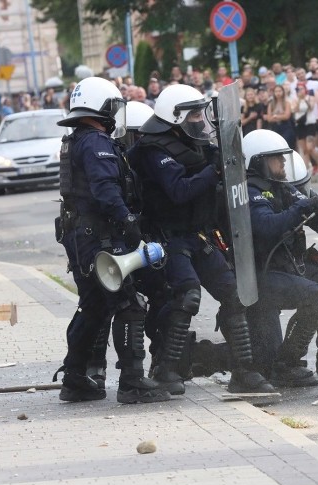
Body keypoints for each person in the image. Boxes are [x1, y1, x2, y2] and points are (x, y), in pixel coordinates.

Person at [127, 83, 276, 396]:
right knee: (187, 296)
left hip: (199, 235)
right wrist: (214, 171)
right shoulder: (153, 149)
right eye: (193, 112)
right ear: (175, 116)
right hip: (168, 239)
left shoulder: (199, 145)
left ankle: (244, 372)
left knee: (234, 294)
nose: (199, 118)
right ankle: (167, 369)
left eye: (200, 111)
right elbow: (179, 190)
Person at [53, 77, 169, 404]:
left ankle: (75, 378)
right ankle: (132, 381)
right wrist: (129, 223)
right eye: (112, 106)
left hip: (80, 237)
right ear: (101, 106)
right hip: (97, 239)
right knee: (129, 304)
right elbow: (106, 191)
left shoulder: (76, 139)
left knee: (92, 307)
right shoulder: (95, 142)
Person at [244, 129, 318, 384]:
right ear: (258, 161)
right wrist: (303, 206)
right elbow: (268, 227)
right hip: (264, 273)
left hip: (289, 266)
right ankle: (287, 364)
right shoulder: (251, 192)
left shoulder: (284, 189)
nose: (284, 163)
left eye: (284, 158)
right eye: (277, 159)